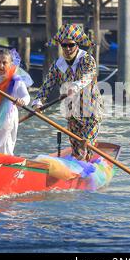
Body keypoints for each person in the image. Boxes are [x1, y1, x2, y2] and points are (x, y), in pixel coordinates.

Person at [32, 24, 103, 161]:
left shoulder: (87, 60)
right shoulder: (57, 65)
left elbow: (88, 76)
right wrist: (38, 101)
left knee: (86, 145)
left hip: (91, 112)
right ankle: (76, 168)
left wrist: (75, 86)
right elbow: (47, 85)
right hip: (72, 113)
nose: (68, 48)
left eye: (71, 45)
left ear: (77, 44)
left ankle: (87, 165)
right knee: (76, 152)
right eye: (64, 45)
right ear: (61, 45)